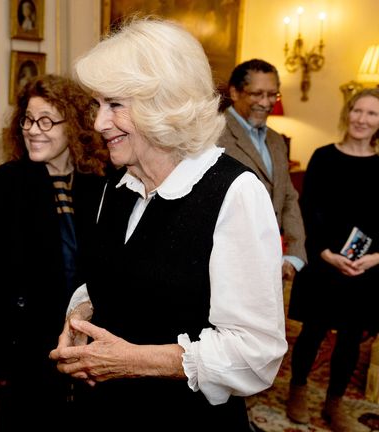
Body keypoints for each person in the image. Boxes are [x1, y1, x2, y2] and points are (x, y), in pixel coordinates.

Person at [47, 18, 287, 430]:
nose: (99, 123)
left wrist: (134, 361)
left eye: (115, 105)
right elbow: (112, 279)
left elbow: (257, 353)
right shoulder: (117, 185)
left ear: (164, 103)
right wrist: (81, 318)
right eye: (98, 105)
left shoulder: (235, 193)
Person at [0, 74, 107, 432]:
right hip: (27, 349)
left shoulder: (102, 184)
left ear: (75, 125)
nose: (33, 130)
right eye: (28, 120)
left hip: (89, 341)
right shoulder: (1, 186)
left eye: (47, 120)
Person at [285, 88, 379, 431]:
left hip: (366, 268)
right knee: (313, 330)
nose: (362, 119)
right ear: (348, 113)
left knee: (351, 337)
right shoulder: (324, 157)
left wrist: (371, 261)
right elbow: (309, 211)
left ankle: (334, 404)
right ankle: (297, 390)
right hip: (323, 261)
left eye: (372, 114)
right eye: (358, 110)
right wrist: (327, 254)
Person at [218, 59, 307, 280]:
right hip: (227, 261)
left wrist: (295, 254)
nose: (266, 103)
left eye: (272, 95)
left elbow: (288, 197)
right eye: (257, 94)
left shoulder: (277, 140)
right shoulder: (213, 133)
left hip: (271, 260)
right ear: (235, 92)